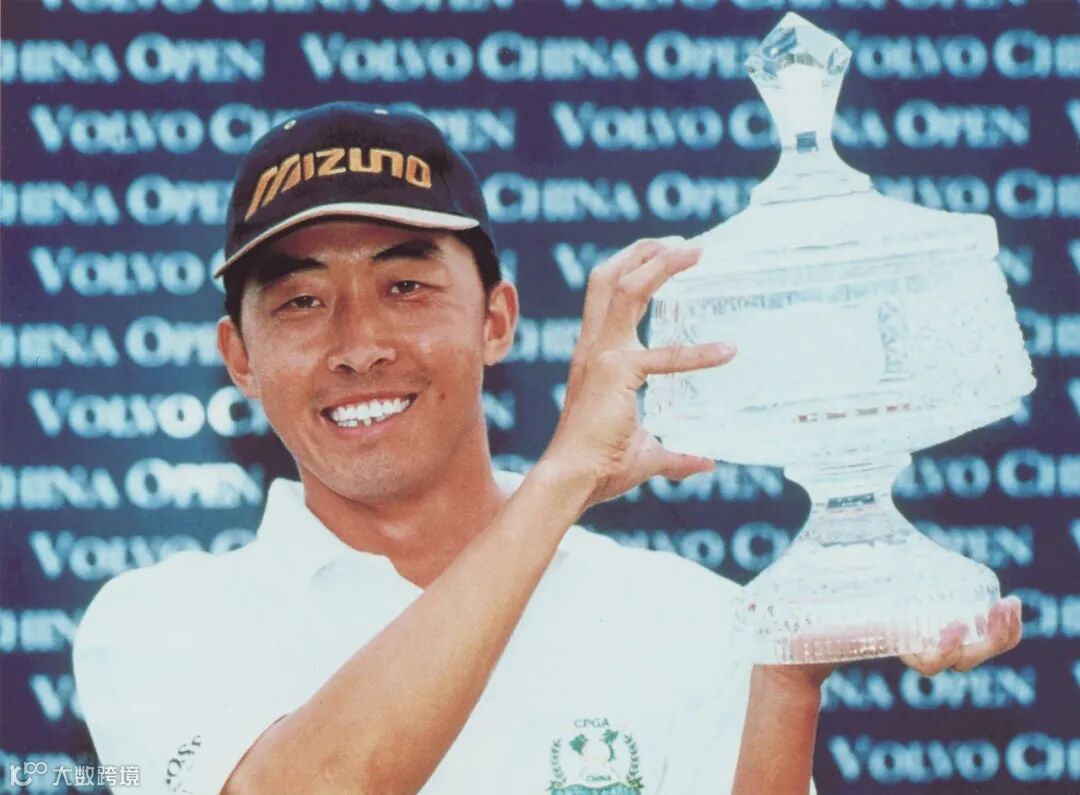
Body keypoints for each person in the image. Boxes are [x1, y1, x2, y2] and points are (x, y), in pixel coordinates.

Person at [72, 102, 1022, 795]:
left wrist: (784, 680)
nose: (359, 345)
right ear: (239, 357)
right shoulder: (160, 623)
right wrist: (565, 476)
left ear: (496, 320)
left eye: (406, 287)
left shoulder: (694, 617)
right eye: (302, 301)